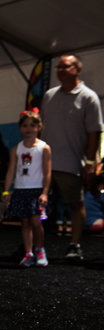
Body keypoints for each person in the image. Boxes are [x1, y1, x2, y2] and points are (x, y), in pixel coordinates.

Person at [41, 54, 104, 260]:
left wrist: (90, 162)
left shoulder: (89, 97)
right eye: (58, 67)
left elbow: (94, 132)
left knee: (76, 204)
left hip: (72, 162)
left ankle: (75, 245)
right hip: (45, 163)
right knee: (38, 203)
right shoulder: (49, 95)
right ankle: (34, 244)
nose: (60, 70)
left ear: (78, 69)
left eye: (65, 67)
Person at [2, 110, 51, 267]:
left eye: (32, 125)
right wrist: (6, 190)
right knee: (25, 223)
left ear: (39, 127)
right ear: (20, 128)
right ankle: (28, 253)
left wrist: (44, 192)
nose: (28, 128)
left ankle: (40, 249)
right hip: (21, 189)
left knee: (37, 222)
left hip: (36, 190)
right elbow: (11, 171)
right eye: (25, 125)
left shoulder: (44, 148)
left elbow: (47, 171)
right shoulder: (16, 149)